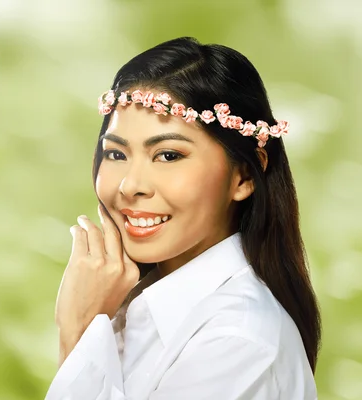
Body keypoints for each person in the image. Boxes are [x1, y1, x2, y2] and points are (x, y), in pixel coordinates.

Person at [45, 37, 321, 399]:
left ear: (245, 176)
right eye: (115, 154)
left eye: (169, 156)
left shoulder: (237, 341)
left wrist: (77, 333)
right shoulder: (130, 301)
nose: (130, 186)